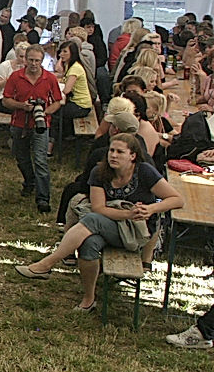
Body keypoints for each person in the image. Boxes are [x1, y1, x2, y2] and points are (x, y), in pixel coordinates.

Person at [16, 133, 182, 311]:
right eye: (111, 150)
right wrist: (127, 213)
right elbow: (99, 208)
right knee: (89, 243)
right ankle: (88, 299)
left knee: (91, 220)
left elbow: (177, 199)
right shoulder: (99, 172)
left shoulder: (145, 171)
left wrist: (151, 209)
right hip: (109, 222)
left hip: (137, 232)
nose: (113, 155)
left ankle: (47, 264)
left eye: (120, 152)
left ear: (133, 155)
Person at [3, 45, 62, 213]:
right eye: (31, 60)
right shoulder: (16, 77)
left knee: (40, 160)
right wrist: (22, 106)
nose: (34, 64)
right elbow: (6, 100)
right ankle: (30, 181)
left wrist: (44, 112)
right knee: (21, 157)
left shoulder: (49, 78)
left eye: (37, 60)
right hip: (19, 123)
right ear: (25, 60)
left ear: (42, 60)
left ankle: (43, 198)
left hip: (41, 125)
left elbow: (57, 101)